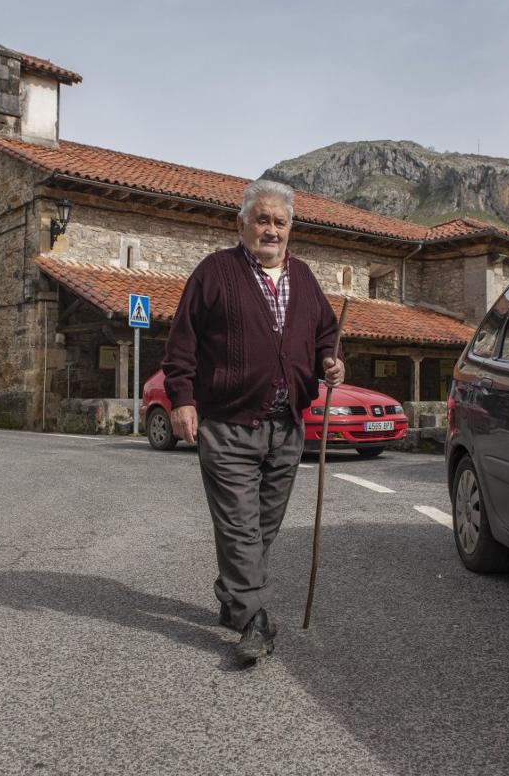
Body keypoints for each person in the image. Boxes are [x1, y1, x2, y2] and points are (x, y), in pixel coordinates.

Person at [162, 179, 345, 662]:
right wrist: (181, 398)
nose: (270, 230)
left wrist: (331, 360)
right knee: (240, 527)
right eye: (261, 220)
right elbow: (182, 343)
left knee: (264, 524)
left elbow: (326, 332)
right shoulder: (214, 272)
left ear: (290, 229)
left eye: (279, 222)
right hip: (228, 423)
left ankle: (234, 597)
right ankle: (255, 620)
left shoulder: (303, 277)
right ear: (241, 224)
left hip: (287, 426)